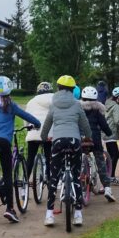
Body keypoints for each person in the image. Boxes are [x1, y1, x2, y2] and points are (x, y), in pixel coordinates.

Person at [0, 75, 41, 223]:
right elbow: (26, 116)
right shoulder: (11, 105)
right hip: (3, 141)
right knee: (8, 174)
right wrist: (37, 124)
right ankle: (10, 209)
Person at [39, 74, 91, 227]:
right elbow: (85, 124)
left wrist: (44, 138)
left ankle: (49, 215)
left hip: (58, 142)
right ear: (72, 89)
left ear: (58, 88)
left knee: (54, 177)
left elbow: (47, 125)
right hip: (74, 141)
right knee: (76, 176)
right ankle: (78, 214)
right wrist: (88, 137)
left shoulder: (53, 104)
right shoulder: (77, 104)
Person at [79, 86, 117, 201]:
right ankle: (107, 189)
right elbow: (104, 125)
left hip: (80, 138)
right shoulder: (98, 110)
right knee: (100, 162)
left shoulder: (77, 108)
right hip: (94, 139)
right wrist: (109, 133)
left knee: (77, 159)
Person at [23, 82, 54, 187]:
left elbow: (26, 118)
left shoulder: (31, 101)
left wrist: (27, 129)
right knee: (49, 157)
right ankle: (49, 180)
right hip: (49, 133)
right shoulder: (55, 99)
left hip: (34, 132)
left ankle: (25, 181)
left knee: (30, 158)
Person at [103, 86, 119, 183]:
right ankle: (111, 176)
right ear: (118, 97)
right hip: (111, 133)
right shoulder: (116, 106)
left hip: (107, 132)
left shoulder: (109, 104)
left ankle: (108, 175)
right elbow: (117, 121)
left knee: (111, 155)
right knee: (115, 155)